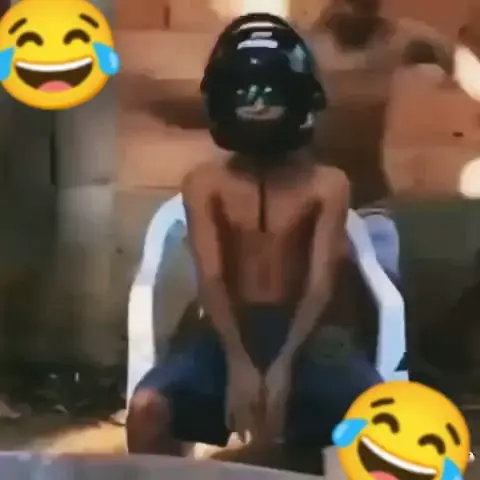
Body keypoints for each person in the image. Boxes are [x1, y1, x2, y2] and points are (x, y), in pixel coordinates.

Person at [126, 13, 382, 455]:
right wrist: (239, 362)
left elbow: (319, 285)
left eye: (269, 94)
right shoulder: (204, 183)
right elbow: (211, 279)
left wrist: (283, 364)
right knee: (147, 410)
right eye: (246, 94)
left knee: (387, 422)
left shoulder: (329, 184)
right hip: (223, 331)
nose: (258, 105)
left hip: (313, 337)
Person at [306, 0, 480, 279]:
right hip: (320, 178)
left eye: (363, 6)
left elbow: (457, 76)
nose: (355, 13)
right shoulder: (304, 48)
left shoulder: (413, 42)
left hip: (380, 184)